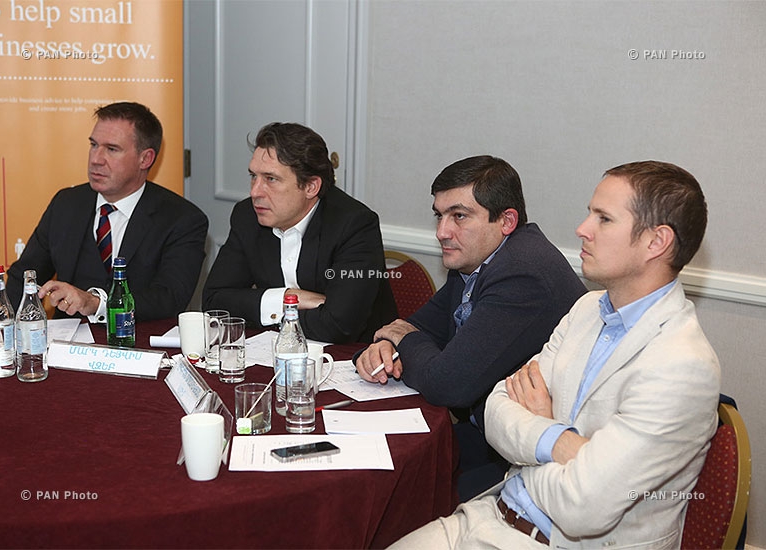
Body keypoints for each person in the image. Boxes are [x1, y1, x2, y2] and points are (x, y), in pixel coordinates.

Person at [390, 160, 721, 549]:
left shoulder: (683, 366)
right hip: (492, 514)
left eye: (604, 219)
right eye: (589, 214)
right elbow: (496, 408)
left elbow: (584, 507)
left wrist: (536, 434)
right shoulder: (587, 309)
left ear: (656, 242)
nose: (582, 229)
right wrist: (563, 443)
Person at [355, 156, 587, 500]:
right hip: (488, 433)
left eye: (459, 216)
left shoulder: (522, 272)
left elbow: (448, 385)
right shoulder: (478, 257)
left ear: (506, 221)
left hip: (527, 458)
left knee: (394, 493)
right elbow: (416, 327)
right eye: (439, 215)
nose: (441, 232)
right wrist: (385, 346)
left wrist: (406, 340)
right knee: (376, 468)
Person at [7, 102, 208, 322]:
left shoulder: (182, 219)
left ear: (145, 159)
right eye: (94, 145)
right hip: (64, 338)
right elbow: (23, 277)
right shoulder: (66, 204)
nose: (96, 159)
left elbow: (169, 299)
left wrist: (97, 304)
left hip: (138, 339)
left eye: (112, 149)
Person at [202, 122, 397, 344]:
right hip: (273, 350)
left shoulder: (354, 225)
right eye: (253, 176)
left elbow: (340, 326)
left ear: (311, 187)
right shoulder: (247, 216)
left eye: (270, 179)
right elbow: (214, 301)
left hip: (351, 354)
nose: (255, 192)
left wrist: (263, 310)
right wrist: (289, 298)